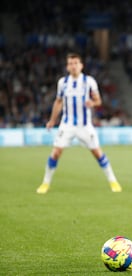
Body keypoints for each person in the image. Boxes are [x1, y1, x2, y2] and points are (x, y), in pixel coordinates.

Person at [36, 53, 122, 194]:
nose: (73, 66)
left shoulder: (89, 81)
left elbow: (99, 101)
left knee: (97, 153)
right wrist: (52, 121)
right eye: (70, 63)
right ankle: (45, 183)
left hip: (85, 125)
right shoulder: (62, 83)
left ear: (81, 65)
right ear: (67, 66)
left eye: (76, 63)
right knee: (56, 152)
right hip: (67, 124)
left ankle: (113, 181)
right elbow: (58, 102)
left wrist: (92, 102)